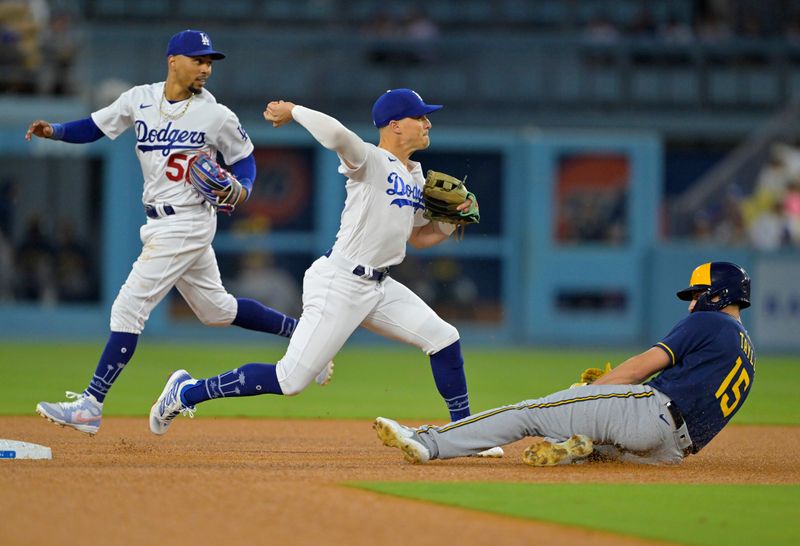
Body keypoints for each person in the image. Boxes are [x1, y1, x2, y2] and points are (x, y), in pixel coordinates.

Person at [148, 89, 503, 457]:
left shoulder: (414, 177)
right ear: (396, 126)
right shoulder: (370, 159)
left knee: (444, 338)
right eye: (421, 117)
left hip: (380, 286)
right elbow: (336, 136)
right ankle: (187, 391)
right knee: (290, 380)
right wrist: (294, 110)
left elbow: (417, 237)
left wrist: (448, 222)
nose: (428, 123)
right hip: (340, 281)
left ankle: (463, 434)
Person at [27, 30, 330, 436]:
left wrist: (243, 188)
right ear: (173, 60)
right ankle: (304, 333)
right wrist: (57, 132)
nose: (206, 67)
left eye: (210, 62)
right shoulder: (139, 99)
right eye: (199, 59)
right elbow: (96, 126)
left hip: (188, 221)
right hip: (157, 221)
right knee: (216, 310)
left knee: (128, 307)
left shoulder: (217, 114)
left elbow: (245, 160)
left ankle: (90, 404)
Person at [375, 261, 755, 466]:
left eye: (698, 294)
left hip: (647, 414)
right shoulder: (747, 354)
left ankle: (428, 443)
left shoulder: (709, 321)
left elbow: (643, 366)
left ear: (718, 295)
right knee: (591, 437)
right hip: (671, 450)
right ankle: (574, 447)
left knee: (530, 412)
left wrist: (593, 391)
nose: (691, 303)